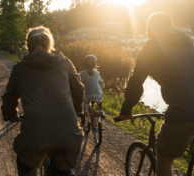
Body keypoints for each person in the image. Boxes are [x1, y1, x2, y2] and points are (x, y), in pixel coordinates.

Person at [113, 12, 194, 176]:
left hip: (183, 113)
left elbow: (136, 82)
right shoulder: (190, 43)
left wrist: (126, 110)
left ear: (151, 29)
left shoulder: (151, 46)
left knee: (164, 160)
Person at [1, 26, 84, 176]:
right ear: (50, 45)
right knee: (63, 167)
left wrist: (10, 114)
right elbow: (78, 90)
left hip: (34, 133)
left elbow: (9, 98)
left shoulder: (20, 69)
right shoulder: (65, 63)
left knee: (26, 162)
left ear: (27, 47)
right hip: (67, 130)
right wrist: (76, 110)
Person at [79, 55, 106, 126]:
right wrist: (103, 86)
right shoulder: (97, 73)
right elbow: (102, 83)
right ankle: (101, 111)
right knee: (99, 100)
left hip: (87, 96)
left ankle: (83, 122)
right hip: (97, 94)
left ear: (84, 64)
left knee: (84, 106)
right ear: (95, 64)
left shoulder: (81, 74)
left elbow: (78, 84)